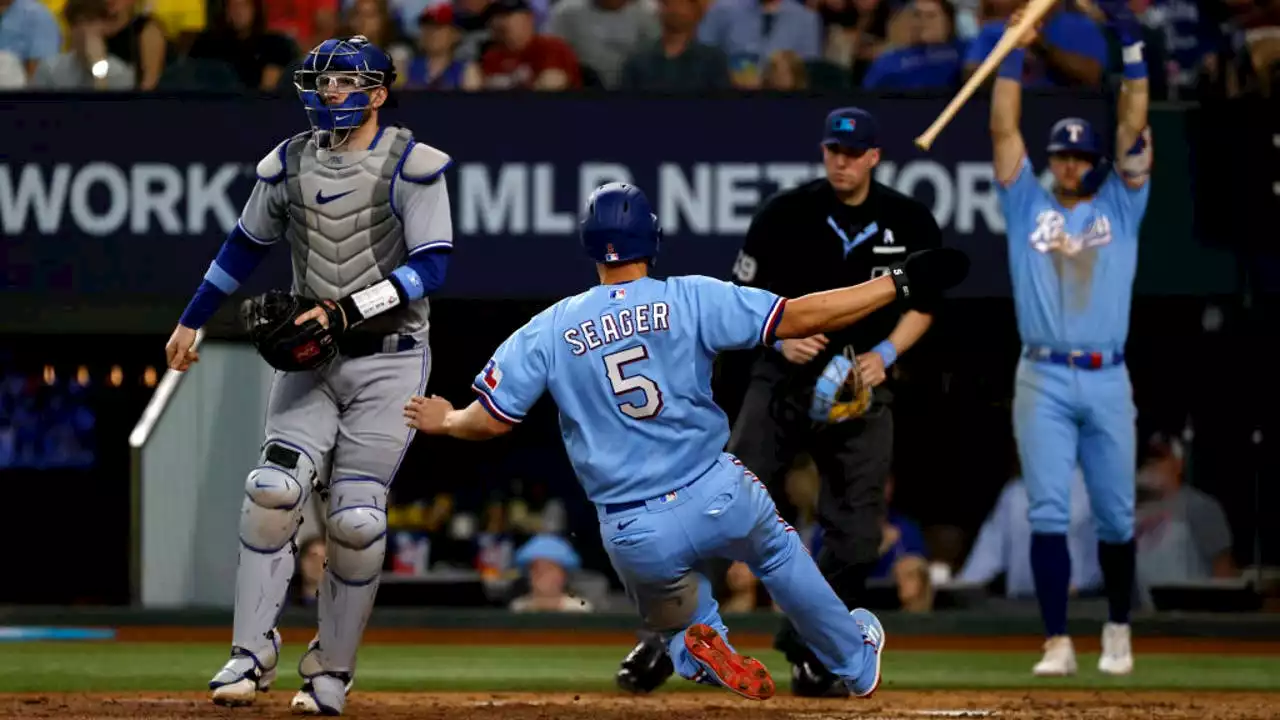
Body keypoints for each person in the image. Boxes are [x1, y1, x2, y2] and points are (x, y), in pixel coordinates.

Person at [405, 181, 968, 701]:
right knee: (776, 552)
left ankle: (695, 642)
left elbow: (493, 419)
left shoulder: (549, 327)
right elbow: (799, 316)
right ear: (651, 239)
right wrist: (894, 283)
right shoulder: (690, 297)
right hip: (714, 489)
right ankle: (851, 657)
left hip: (630, 526)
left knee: (674, 611)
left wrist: (448, 420)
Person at [164, 35, 454, 716]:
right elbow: (243, 245)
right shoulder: (289, 161)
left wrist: (343, 311)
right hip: (312, 360)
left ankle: (330, 672)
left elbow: (432, 266)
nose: (329, 95)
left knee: (355, 521)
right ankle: (249, 654)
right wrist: (191, 320)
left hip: (390, 360)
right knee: (271, 490)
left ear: (378, 93)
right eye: (322, 83)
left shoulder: (414, 164)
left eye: (345, 84)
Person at [625, 106, 939, 699]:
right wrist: (778, 334)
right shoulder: (786, 214)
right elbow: (737, 300)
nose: (841, 162)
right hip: (783, 378)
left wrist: (886, 356)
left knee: (857, 532)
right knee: (713, 506)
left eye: (853, 153)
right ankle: (668, 635)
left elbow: (926, 302)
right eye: (832, 151)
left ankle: (815, 652)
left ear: (874, 156)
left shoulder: (908, 219)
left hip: (860, 386)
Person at [990, 0, 1152, 678]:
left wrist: (1132, 47)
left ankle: (1117, 627)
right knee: (1047, 510)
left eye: (1082, 156)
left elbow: (1134, 127)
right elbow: (1003, 127)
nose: (1072, 164)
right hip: (1043, 373)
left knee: (1116, 515)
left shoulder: (1121, 199)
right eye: (1063, 154)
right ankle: (1056, 639)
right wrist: (1012, 50)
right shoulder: (1027, 201)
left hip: (1107, 373)